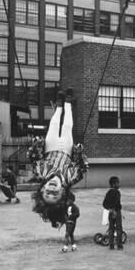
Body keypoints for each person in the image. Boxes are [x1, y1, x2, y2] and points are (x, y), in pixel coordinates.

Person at [28, 87, 89, 228]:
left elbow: (34, 157)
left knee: (54, 124)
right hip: (66, 149)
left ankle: (59, 105)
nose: (51, 192)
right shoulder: (71, 178)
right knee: (67, 126)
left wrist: (36, 145)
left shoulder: (40, 173)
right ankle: (68, 102)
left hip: (51, 146)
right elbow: (82, 166)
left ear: (42, 190)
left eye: (47, 194)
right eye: (54, 196)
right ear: (63, 194)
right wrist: (79, 152)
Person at [102, 176, 124, 250]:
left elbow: (104, 204)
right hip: (117, 212)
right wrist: (115, 211)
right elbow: (117, 202)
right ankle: (119, 245)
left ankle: (111, 245)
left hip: (110, 212)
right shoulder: (117, 192)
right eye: (118, 183)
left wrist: (110, 209)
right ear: (114, 184)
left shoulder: (108, 192)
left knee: (111, 228)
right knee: (119, 228)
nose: (119, 185)